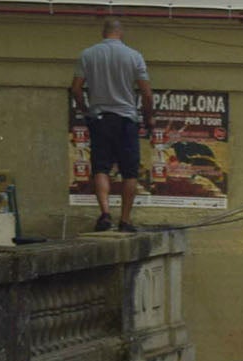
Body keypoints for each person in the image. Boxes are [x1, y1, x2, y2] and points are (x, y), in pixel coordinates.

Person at [71, 18, 154, 234]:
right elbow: (146, 92)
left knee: (100, 168)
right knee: (130, 172)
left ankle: (105, 213)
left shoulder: (87, 54)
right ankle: (125, 220)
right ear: (121, 33)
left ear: (103, 32)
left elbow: (76, 89)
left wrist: (85, 110)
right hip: (126, 119)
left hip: (100, 119)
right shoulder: (134, 56)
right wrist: (149, 117)